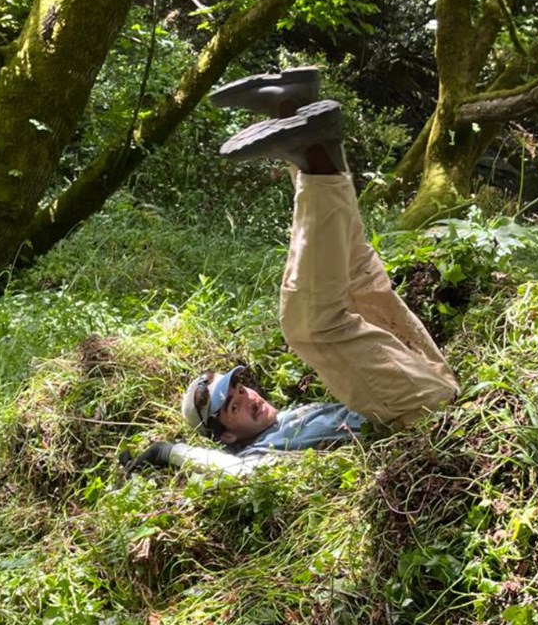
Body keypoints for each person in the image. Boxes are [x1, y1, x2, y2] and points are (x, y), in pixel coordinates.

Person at [128, 72, 458, 476]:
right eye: (234, 407)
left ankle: (294, 111)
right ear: (227, 438)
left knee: (356, 281)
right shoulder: (259, 455)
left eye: (240, 388)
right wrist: (166, 452)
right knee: (310, 326)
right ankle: (307, 143)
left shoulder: (291, 417)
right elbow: (236, 474)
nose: (249, 397)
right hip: (420, 411)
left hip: (426, 377)